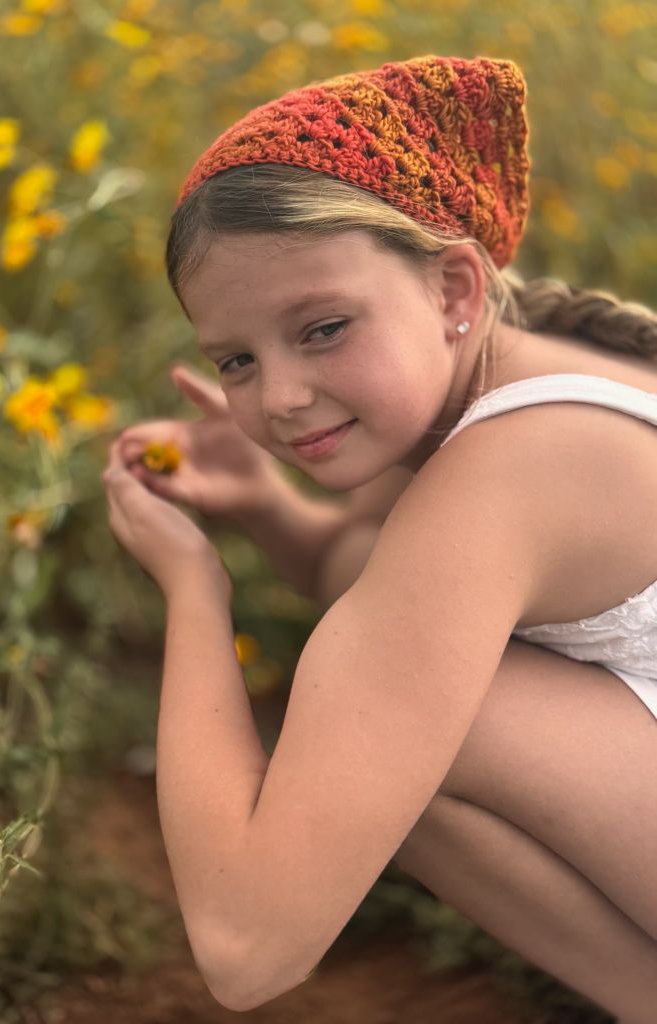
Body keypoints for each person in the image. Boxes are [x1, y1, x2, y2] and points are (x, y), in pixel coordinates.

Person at [102, 56, 657, 1020]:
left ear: (452, 289)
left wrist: (193, 586)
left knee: (397, 732)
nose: (280, 398)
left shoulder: (507, 473)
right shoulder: (504, 380)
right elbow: (366, 576)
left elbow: (244, 947)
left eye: (322, 329)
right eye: (237, 359)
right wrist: (266, 508)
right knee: (391, 718)